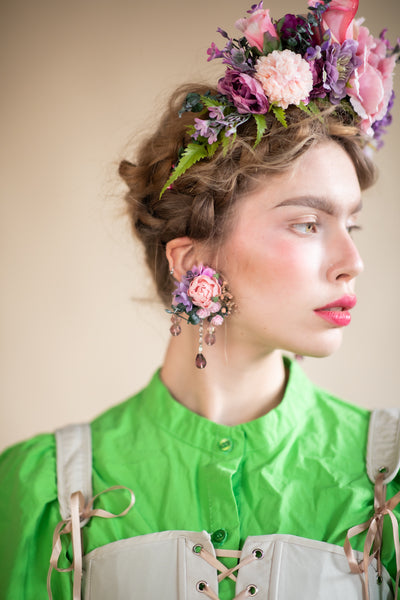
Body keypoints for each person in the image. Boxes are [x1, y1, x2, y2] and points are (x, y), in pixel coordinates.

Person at [1, 0, 399, 599]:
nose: (352, 263)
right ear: (194, 261)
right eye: (308, 224)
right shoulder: (43, 489)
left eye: (352, 225)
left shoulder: (389, 481)